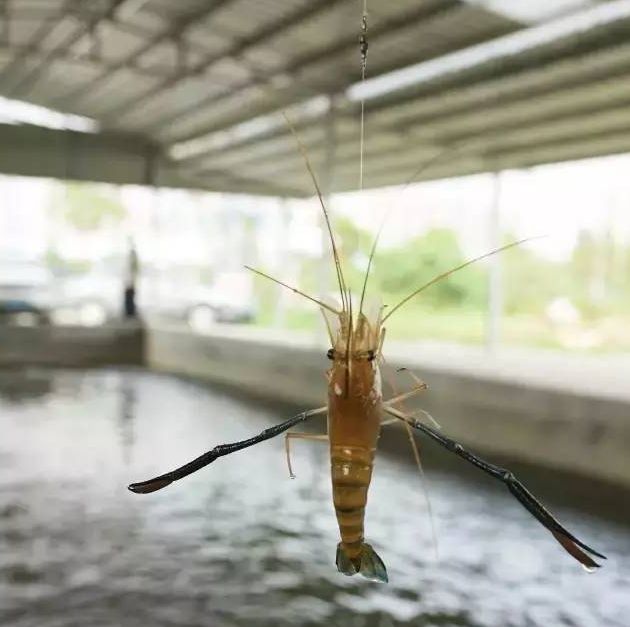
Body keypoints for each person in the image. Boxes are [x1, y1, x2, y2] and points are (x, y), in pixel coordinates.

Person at [123, 238, 139, 319]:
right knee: (129, 298)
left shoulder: (132, 256)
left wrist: (131, 281)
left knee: (129, 298)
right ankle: (129, 313)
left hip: (130, 282)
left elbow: (133, 270)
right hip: (129, 281)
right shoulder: (131, 256)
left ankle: (130, 313)